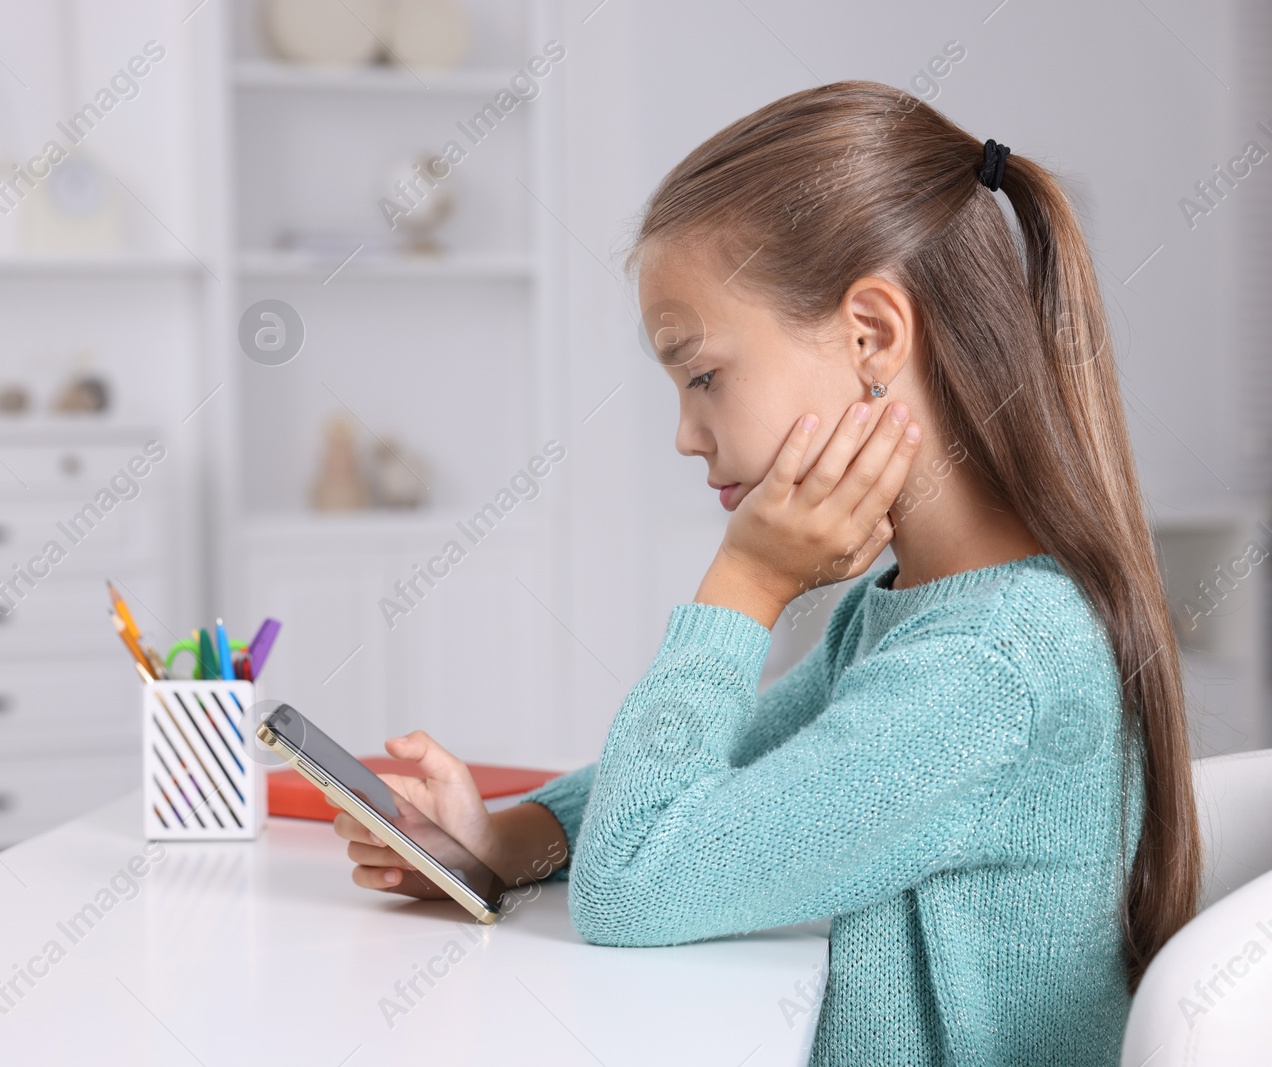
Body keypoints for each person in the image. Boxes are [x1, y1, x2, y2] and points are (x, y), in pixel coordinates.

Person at [330, 80, 1200, 1065]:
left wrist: (742, 585)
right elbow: (728, 769)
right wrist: (503, 839)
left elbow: (634, 880)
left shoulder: (990, 666)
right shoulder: (920, 609)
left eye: (702, 374)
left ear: (871, 334)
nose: (685, 435)